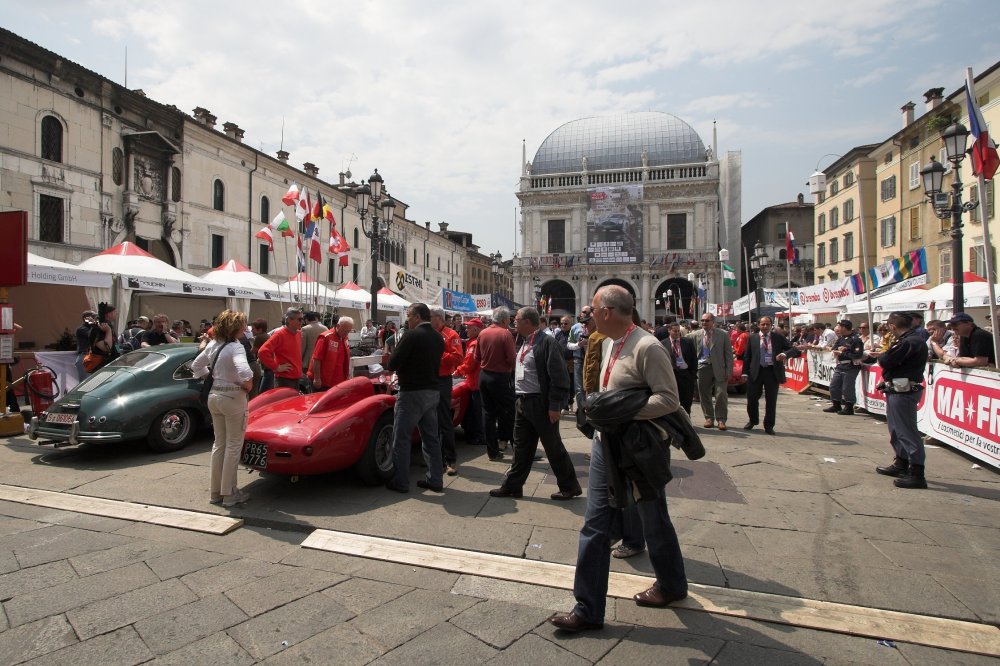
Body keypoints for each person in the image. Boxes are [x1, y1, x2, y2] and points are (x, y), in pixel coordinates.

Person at [548, 286, 686, 634]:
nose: (588, 315)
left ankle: (671, 585)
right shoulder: (607, 342)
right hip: (604, 446)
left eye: (593, 310)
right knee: (594, 525)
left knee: (654, 519)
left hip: (638, 450)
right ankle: (588, 609)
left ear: (608, 311)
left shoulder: (648, 347)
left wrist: (623, 411)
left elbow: (670, 400)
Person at [489, 307, 581, 501]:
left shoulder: (547, 342)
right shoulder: (523, 341)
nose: (514, 322)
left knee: (553, 447)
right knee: (521, 447)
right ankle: (513, 486)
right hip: (522, 402)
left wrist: (555, 405)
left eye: (518, 319)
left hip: (540, 403)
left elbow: (559, 377)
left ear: (528, 322)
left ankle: (570, 486)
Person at [192, 310, 254, 507]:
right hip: (233, 396)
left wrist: (210, 377)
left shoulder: (213, 344)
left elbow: (196, 365)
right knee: (233, 445)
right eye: (243, 325)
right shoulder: (236, 347)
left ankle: (216, 492)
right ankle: (229, 493)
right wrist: (248, 384)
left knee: (219, 444)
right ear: (236, 327)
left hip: (214, 396)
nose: (245, 329)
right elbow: (245, 370)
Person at [386, 303, 444, 493]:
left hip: (412, 392)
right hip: (432, 391)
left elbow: (393, 363)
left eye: (409, 315)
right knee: (431, 438)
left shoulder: (411, 335)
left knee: (401, 438)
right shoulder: (438, 336)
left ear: (418, 317)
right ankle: (435, 479)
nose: (407, 319)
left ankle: (401, 481)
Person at [875, 312, 929, 489]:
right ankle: (901, 462)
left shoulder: (910, 341)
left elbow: (887, 360)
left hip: (904, 391)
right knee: (896, 429)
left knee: (907, 431)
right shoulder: (907, 340)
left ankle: (917, 472)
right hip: (897, 388)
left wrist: (883, 353)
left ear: (893, 326)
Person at [742, 316, 800, 434]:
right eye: (763, 324)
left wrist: (784, 354)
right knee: (752, 398)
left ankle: (769, 425)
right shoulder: (752, 338)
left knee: (771, 400)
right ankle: (753, 420)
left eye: (767, 324)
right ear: (758, 325)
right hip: (756, 372)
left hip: (772, 372)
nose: (765, 326)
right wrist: (744, 372)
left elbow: (794, 350)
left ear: (771, 325)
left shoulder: (778, 337)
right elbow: (747, 356)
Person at [476, 307, 516, 459]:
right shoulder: (505, 334)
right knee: (511, 411)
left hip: (484, 376)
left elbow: (477, 357)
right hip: (500, 377)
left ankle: (492, 451)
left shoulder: (483, 332)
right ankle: (517, 448)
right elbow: (512, 359)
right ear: (505, 320)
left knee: (489, 415)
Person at [430, 308, 464, 476]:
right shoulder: (427, 333)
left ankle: (450, 460)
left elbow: (458, 358)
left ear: (438, 318)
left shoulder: (451, 335)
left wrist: (437, 354)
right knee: (430, 421)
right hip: (428, 380)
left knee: (444, 420)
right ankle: (435, 459)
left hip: (443, 380)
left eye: (430, 317)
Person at [455, 318, 493, 457]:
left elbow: (469, 364)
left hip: (475, 382)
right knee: (479, 410)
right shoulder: (479, 341)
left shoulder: (474, 344)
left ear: (476, 329)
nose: (467, 330)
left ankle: (479, 437)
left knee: (478, 412)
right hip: (479, 380)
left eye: (469, 328)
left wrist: (457, 372)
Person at [690, 313, 733, 430]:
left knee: (721, 394)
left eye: (707, 321)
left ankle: (721, 419)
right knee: (704, 394)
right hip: (703, 367)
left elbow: (728, 354)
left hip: (719, 368)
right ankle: (709, 417)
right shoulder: (695, 335)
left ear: (713, 322)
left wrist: (729, 370)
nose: (704, 323)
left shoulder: (723, 335)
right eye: (702, 320)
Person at [823, 319, 865, 416]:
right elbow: (834, 348)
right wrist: (839, 349)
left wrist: (844, 351)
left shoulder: (856, 339)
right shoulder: (841, 338)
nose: (837, 329)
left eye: (840, 327)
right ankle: (836, 404)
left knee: (847, 387)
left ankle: (849, 407)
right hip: (841, 365)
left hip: (850, 366)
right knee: (834, 385)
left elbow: (857, 354)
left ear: (844, 328)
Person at [257, 307, 303, 390]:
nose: (302, 322)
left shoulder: (298, 333)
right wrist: (276, 367)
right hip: (284, 379)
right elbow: (262, 352)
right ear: (289, 320)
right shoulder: (279, 334)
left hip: (295, 378)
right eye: (299, 319)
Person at [310, 316, 354, 391]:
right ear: (338, 326)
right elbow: (316, 359)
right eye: (345, 331)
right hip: (323, 381)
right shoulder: (326, 337)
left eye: (348, 331)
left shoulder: (344, 338)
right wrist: (317, 378)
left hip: (338, 380)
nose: (346, 334)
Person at [664, 322, 697, 415]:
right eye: (675, 331)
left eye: (678, 331)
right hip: (671, 376)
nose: (677, 333)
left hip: (686, 375)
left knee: (686, 400)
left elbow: (694, 359)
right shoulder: (663, 343)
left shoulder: (687, 342)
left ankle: (687, 420)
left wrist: (692, 374)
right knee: (673, 400)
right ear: (669, 331)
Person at [568, 305, 593, 409]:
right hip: (578, 359)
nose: (585, 314)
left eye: (588, 312)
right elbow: (569, 344)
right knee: (579, 387)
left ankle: (590, 409)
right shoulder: (575, 327)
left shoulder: (596, 326)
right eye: (583, 312)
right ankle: (582, 412)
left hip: (592, 359)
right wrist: (578, 345)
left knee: (590, 385)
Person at [87, 302, 119, 370]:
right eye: (115, 312)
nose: (116, 314)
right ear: (108, 314)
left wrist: (119, 353)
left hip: (110, 363)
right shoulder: (98, 328)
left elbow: (115, 344)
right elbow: (106, 348)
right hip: (101, 366)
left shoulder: (108, 326)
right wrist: (108, 331)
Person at [299, 312, 328, 389]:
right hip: (322, 361)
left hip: (308, 361)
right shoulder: (325, 328)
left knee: (309, 385)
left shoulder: (305, 329)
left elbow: (302, 347)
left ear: (306, 319)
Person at [554, 315, 575, 410]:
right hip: (560, 363)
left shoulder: (573, 333)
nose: (563, 325)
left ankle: (570, 401)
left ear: (570, 324)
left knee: (571, 385)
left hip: (571, 364)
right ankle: (565, 405)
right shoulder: (558, 334)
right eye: (561, 323)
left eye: (565, 323)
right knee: (562, 384)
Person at [250, 319, 271, 395]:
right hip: (270, 368)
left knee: (263, 393)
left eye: (253, 329)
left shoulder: (259, 337)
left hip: (269, 369)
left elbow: (252, 351)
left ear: (260, 330)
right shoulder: (266, 336)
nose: (251, 331)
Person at [74, 310, 97, 378]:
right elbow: (92, 335)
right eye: (93, 317)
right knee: (84, 382)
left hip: (94, 356)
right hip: (85, 356)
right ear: (86, 318)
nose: (94, 319)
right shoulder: (81, 329)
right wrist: (94, 324)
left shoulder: (94, 327)